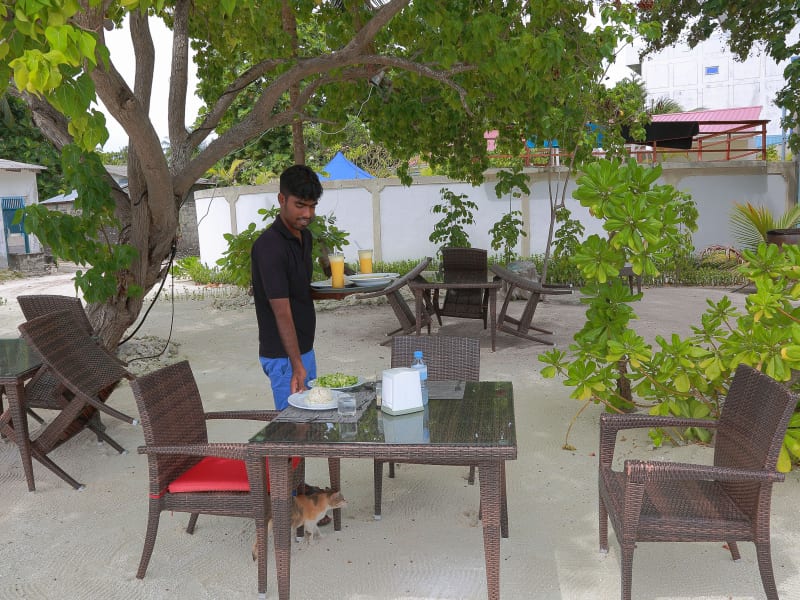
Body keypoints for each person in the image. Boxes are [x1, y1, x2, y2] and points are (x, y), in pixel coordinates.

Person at [251, 164, 323, 410]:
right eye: (300, 205)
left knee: (311, 422)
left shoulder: (305, 237)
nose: (308, 214)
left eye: (312, 206)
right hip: (283, 358)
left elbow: (298, 290)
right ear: (282, 199)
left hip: (304, 350)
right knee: (292, 429)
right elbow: (281, 311)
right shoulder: (269, 247)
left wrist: (333, 293)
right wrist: (296, 366)